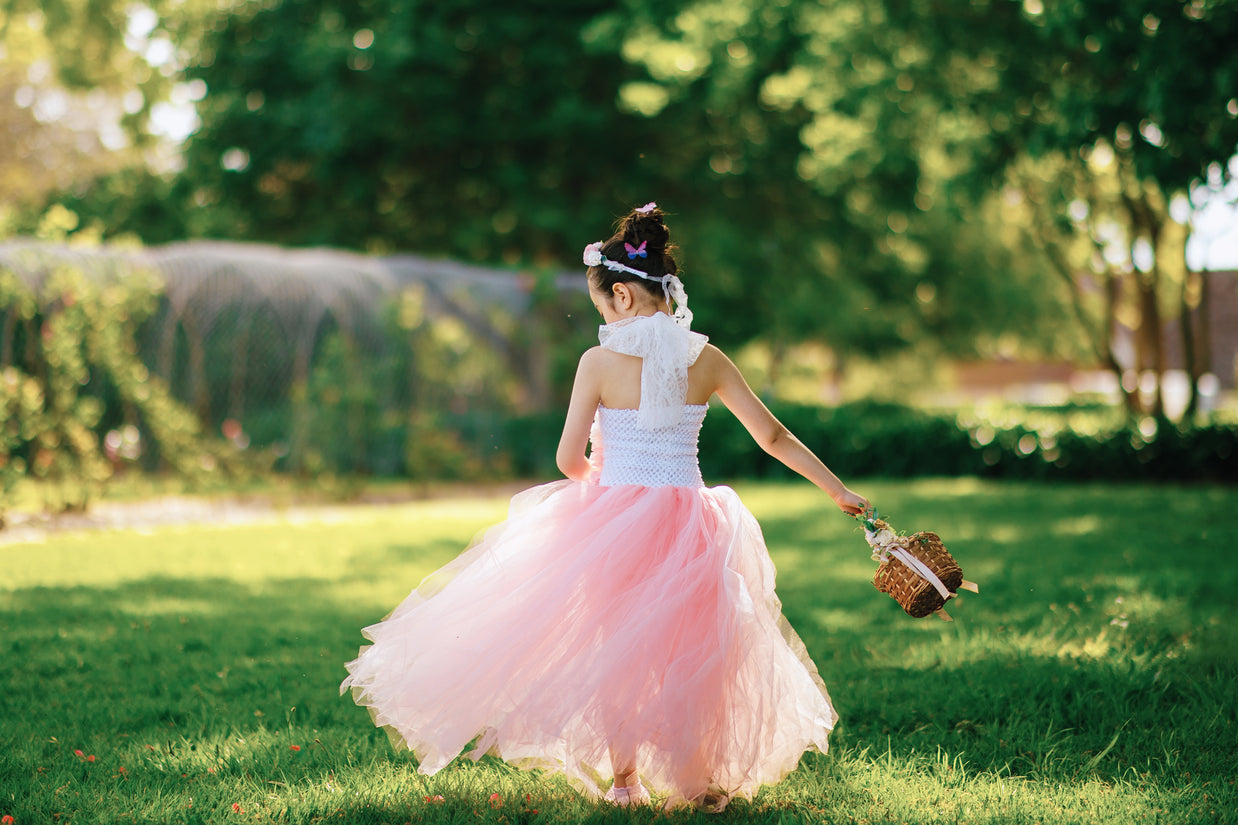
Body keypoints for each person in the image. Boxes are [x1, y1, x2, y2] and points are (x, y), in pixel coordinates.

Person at [341, 202, 868, 812]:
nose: (605, 323)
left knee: (617, 650)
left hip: (615, 521)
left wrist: (601, 473)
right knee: (692, 652)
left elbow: (569, 458)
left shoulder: (598, 362)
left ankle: (625, 782)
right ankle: (699, 782)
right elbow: (773, 437)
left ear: (621, 295)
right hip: (691, 522)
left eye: (603, 311)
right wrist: (839, 490)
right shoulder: (708, 358)